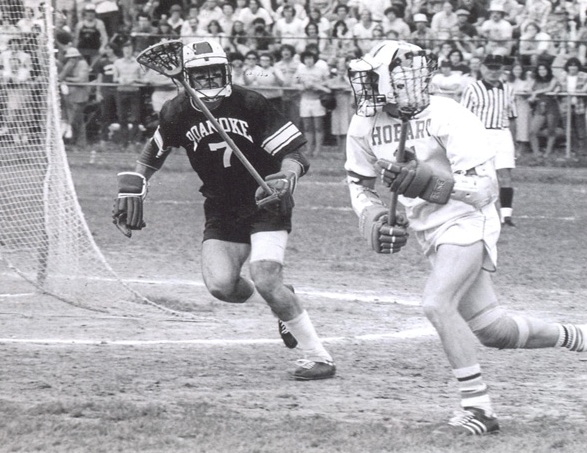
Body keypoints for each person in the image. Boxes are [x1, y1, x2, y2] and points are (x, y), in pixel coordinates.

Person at [344, 40, 586, 435]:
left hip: (466, 219)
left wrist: (431, 183)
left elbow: (485, 189)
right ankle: (579, 336)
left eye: (374, 79)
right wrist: (370, 213)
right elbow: (358, 182)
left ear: (398, 79)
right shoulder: (363, 124)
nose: (366, 88)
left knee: (437, 303)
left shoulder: (449, 115)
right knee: (494, 331)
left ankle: (478, 408)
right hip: (428, 227)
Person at [113, 40, 336, 381]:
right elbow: (154, 150)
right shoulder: (176, 111)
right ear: (185, 77)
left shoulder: (250, 102)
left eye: (215, 73)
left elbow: (296, 153)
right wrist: (137, 183)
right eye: (199, 76)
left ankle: (319, 356)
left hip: (265, 198)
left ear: (227, 70)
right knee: (222, 286)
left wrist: (288, 175)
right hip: (220, 205)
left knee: (264, 276)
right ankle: (281, 299)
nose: (208, 81)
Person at [460, 54, 518, 226]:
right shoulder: (472, 89)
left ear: (502, 69)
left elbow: (512, 117)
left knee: (505, 174)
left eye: (497, 68)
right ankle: (480, 213)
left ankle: (506, 215)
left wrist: (513, 141)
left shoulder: (508, 90)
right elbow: (464, 117)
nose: (493, 72)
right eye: (490, 68)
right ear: (482, 68)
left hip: (502, 133)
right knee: (481, 175)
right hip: (480, 134)